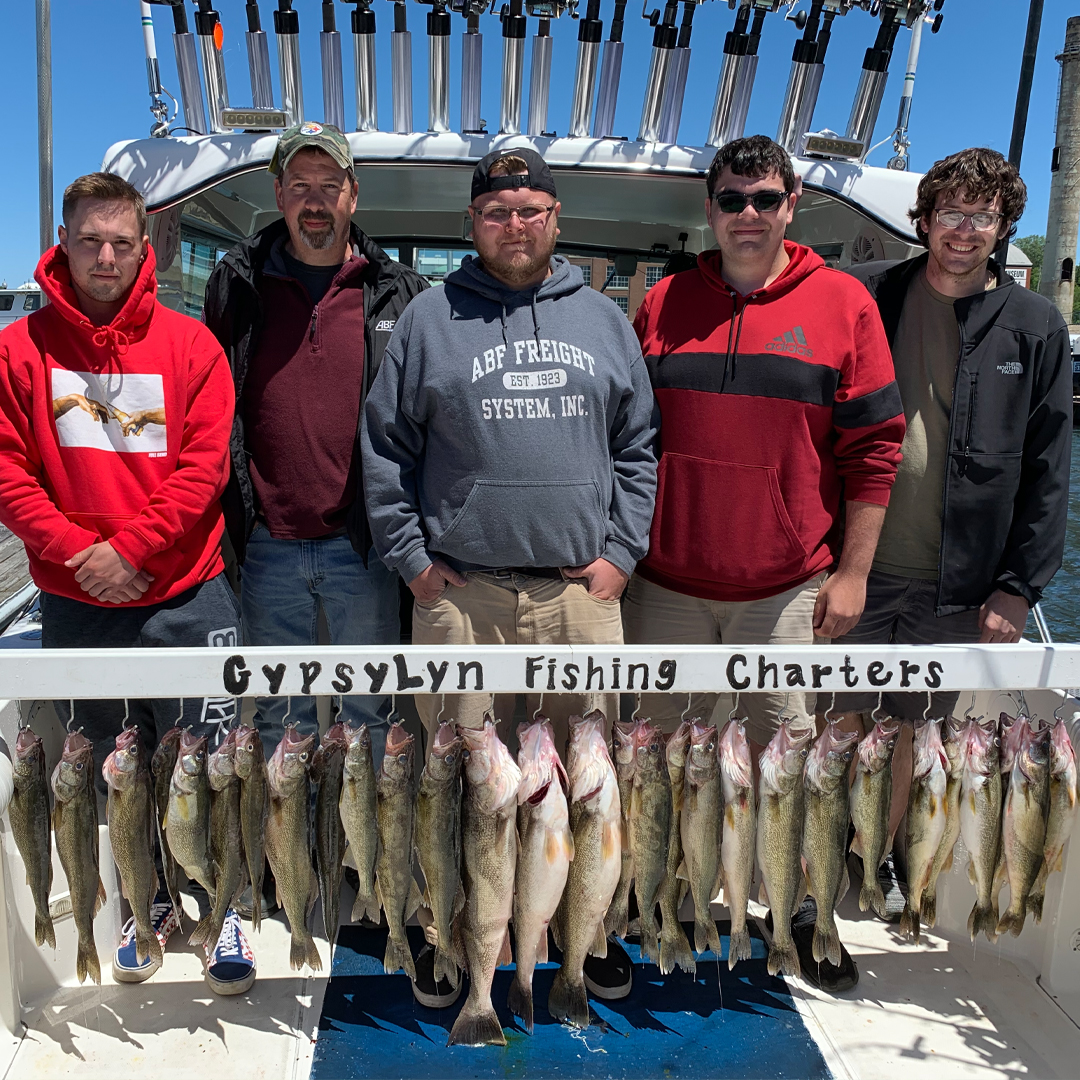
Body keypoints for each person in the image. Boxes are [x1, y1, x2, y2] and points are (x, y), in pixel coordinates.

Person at [362, 146, 658, 1007]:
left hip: (580, 594)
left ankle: (583, 933)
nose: (515, 225)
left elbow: (639, 447)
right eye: (498, 211)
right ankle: (445, 934)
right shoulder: (426, 318)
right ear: (472, 223)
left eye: (531, 210)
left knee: (587, 777)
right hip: (463, 596)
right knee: (453, 779)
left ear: (557, 219)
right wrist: (412, 560)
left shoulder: (603, 320)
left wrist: (622, 553)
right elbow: (384, 450)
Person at [626, 135, 906, 992]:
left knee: (787, 770)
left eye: (765, 199)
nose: (748, 214)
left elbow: (875, 451)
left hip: (787, 590)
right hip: (665, 585)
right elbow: (627, 443)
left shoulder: (844, 304)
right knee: (660, 760)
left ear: (792, 207)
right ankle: (661, 900)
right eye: (732, 199)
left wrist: (852, 574)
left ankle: (794, 919)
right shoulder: (663, 302)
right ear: (709, 210)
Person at [0, 172, 250, 994]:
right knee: (114, 770)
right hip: (80, 601)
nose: (105, 257)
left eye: (121, 241)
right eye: (89, 241)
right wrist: (80, 555)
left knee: (213, 765)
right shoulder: (18, 350)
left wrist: (134, 549)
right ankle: (150, 912)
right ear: (62, 245)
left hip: (188, 591)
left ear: (146, 247)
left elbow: (205, 467)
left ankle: (226, 908)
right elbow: (8, 470)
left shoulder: (192, 347)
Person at [834, 147, 1072, 916]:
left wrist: (1016, 586)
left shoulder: (1035, 325)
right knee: (838, 718)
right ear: (926, 218)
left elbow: (1048, 467)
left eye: (982, 216)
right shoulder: (870, 296)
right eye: (950, 214)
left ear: (1003, 227)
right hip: (853, 566)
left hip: (958, 579)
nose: (964, 232)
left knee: (912, 729)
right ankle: (820, 862)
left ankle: (877, 860)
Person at [203, 121, 427, 770]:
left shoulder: (398, 292)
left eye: (330, 185)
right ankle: (288, 864)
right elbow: (215, 405)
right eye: (300, 185)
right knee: (281, 713)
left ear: (354, 195)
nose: (315, 200)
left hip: (364, 544)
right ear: (278, 194)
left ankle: (364, 862)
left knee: (370, 709)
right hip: (267, 541)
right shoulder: (236, 284)